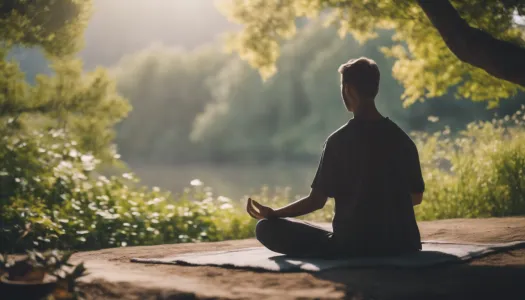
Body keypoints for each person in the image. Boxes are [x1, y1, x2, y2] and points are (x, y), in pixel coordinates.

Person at [246, 57, 425, 258]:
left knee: (266, 228)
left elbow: (316, 201)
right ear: (374, 89)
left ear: (348, 90)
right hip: (402, 243)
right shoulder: (402, 139)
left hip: (352, 244)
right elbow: (416, 197)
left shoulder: (339, 142)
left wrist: (274, 213)